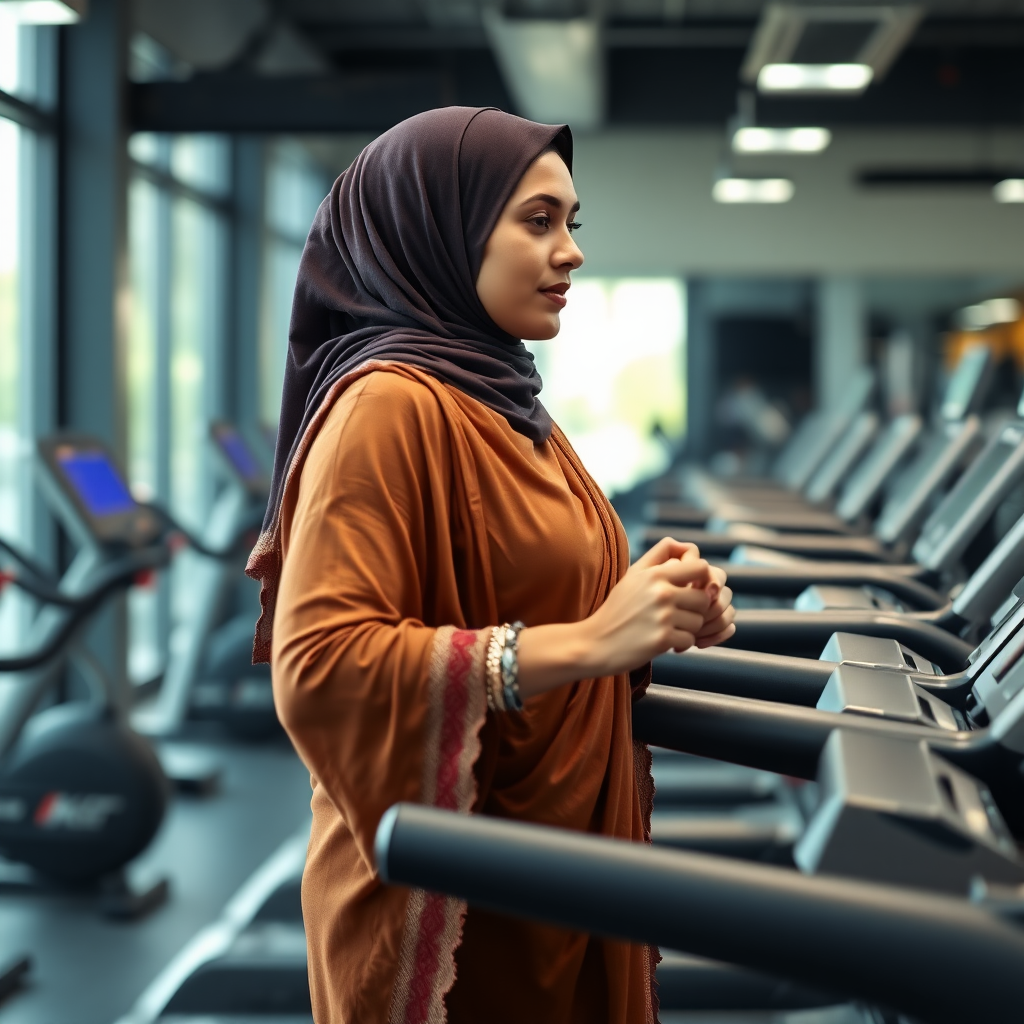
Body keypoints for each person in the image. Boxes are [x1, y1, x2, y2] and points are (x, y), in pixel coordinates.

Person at [246, 106, 735, 1024]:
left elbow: (549, 603)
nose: (571, 253)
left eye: (571, 225)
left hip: (552, 873)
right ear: (441, 227)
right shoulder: (387, 404)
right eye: (537, 221)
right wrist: (592, 640)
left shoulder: (502, 396)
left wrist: (664, 609)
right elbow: (320, 667)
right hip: (456, 904)